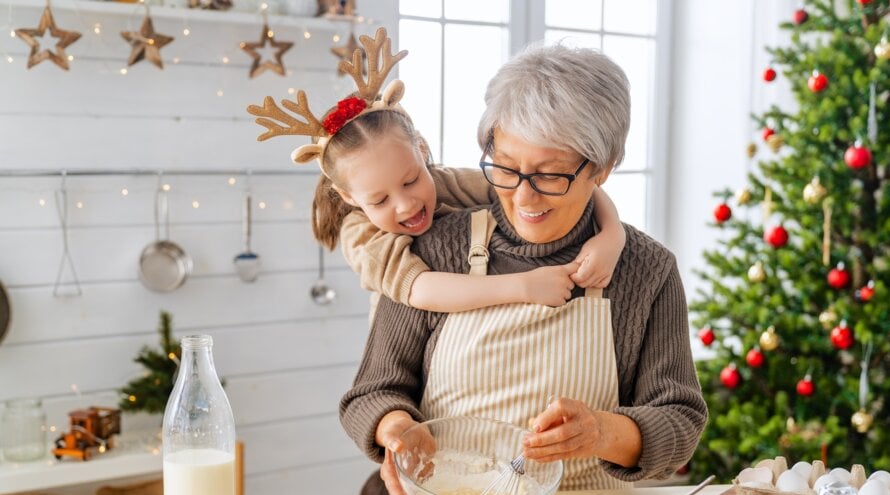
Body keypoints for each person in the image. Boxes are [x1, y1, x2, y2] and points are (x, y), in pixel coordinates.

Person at [337, 41, 707, 495]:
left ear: (602, 167)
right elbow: (372, 393)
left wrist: (602, 432)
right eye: (506, 168)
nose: (524, 196)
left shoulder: (646, 270)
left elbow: (679, 418)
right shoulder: (432, 249)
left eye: (550, 175)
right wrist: (399, 430)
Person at [249, 27, 624, 314]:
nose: (405, 204)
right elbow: (419, 289)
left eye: (411, 179)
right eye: (379, 199)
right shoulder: (361, 234)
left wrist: (612, 235)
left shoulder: (446, 182)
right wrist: (524, 286)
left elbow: (551, 183)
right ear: (349, 197)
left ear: (423, 152)